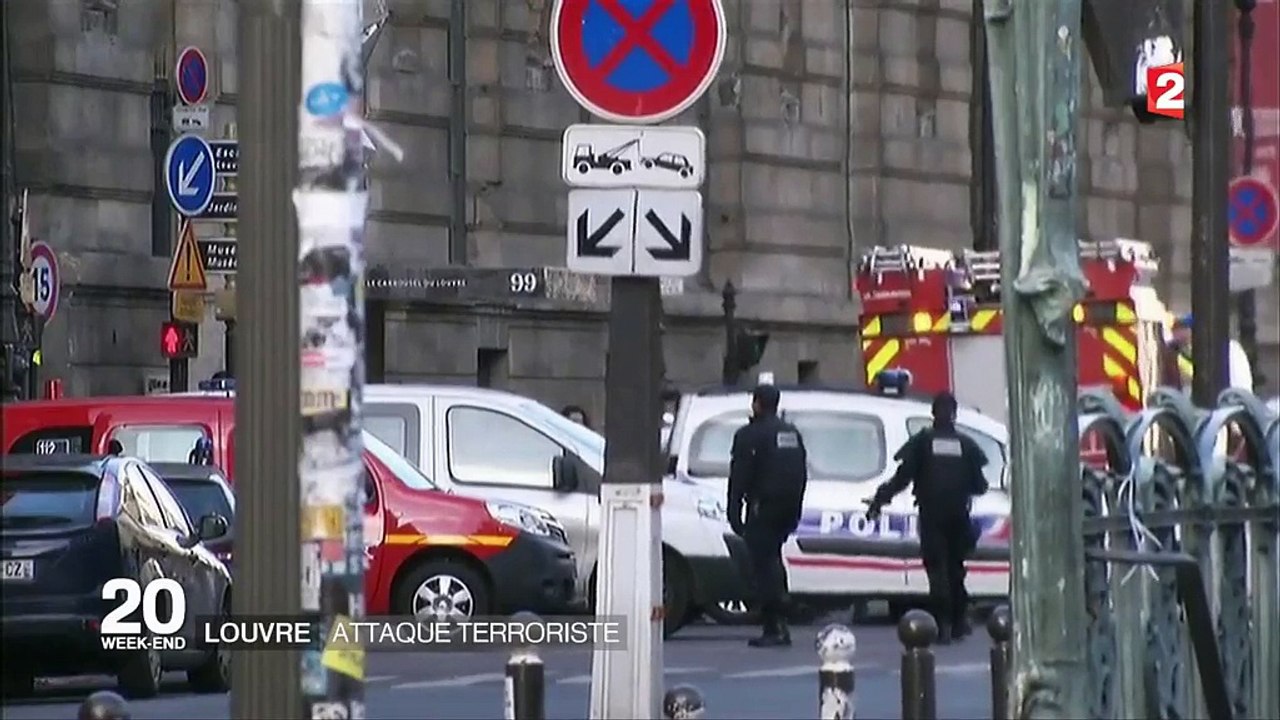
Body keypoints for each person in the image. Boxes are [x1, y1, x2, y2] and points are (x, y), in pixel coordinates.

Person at [864, 391, 988, 644]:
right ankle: (959, 621)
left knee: (937, 569)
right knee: (956, 568)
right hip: (959, 514)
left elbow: (902, 478)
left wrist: (879, 500)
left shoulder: (922, 443)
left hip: (932, 514)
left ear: (933, 413)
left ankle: (942, 624)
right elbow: (981, 486)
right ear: (954, 414)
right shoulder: (967, 445)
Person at [727, 383, 809, 647]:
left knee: (763, 565)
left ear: (757, 403)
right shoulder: (791, 433)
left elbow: (739, 476)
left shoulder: (750, 435)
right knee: (773, 558)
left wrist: (734, 511)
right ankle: (780, 619)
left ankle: (774, 625)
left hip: (762, 507)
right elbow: (801, 473)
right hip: (787, 507)